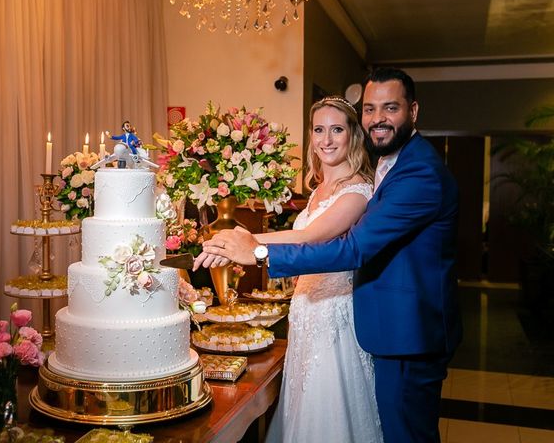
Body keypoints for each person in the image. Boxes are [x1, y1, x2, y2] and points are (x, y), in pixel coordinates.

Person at [195, 67, 462, 443]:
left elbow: (352, 248)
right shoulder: (392, 163)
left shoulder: (420, 172)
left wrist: (254, 249)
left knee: (403, 434)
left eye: (390, 108)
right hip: (375, 324)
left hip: (408, 333)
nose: (378, 119)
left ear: (413, 111)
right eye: (370, 109)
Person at [258, 96, 381, 442]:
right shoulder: (316, 191)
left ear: (353, 136)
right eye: (319, 130)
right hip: (304, 311)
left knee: (327, 406)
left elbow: (308, 237)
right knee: (301, 402)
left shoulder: (358, 190)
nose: (326, 140)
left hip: (333, 315)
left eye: (337, 129)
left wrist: (246, 240)